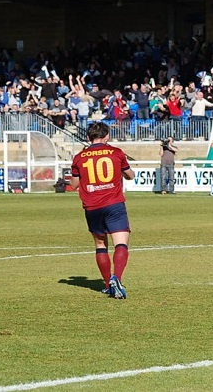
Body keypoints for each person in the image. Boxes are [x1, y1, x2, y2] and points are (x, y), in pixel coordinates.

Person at [70, 122, 135, 299]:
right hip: (114, 204)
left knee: (100, 245)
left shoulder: (79, 157)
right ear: (106, 136)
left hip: (92, 206)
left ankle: (108, 285)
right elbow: (131, 175)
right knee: (121, 243)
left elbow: (74, 184)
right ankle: (117, 278)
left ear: (87, 137)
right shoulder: (116, 152)